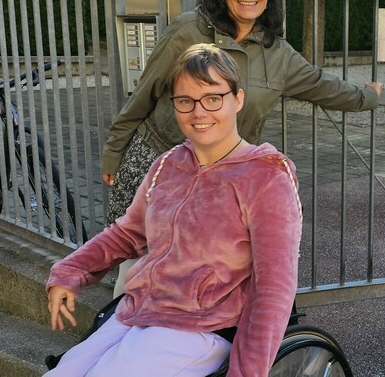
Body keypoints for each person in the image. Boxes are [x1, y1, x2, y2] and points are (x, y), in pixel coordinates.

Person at [46, 44, 302, 377]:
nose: (199, 112)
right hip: (139, 311)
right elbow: (126, 234)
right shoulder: (168, 164)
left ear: (237, 99)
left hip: (203, 326)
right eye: (185, 101)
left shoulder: (266, 176)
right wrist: (69, 272)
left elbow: (273, 288)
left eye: (213, 98)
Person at [101, 0, 383, 226]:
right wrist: (114, 152)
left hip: (221, 178)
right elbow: (142, 95)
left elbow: (324, 86)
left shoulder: (278, 55)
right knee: (135, 262)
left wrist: (368, 96)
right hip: (157, 163)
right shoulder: (187, 31)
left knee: (203, 264)